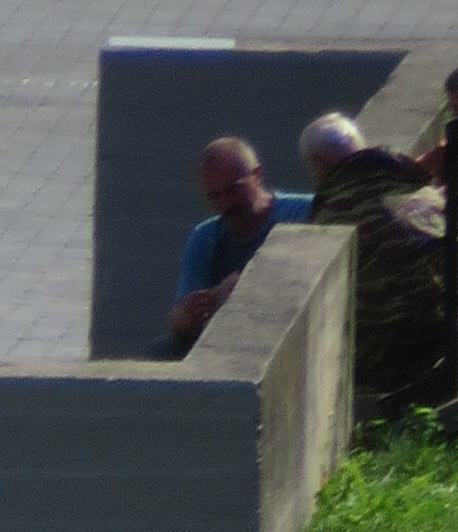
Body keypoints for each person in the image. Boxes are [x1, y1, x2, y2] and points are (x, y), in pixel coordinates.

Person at [299, 111, 451, 421]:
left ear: (317, 164)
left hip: (385, 371)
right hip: (444, 349)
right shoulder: (429, 197)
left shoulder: (332, 219)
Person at [166, 137, 307, 355]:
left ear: (257, 176)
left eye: (233, 190)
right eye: (214, 196)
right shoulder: (205, 237)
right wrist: (189, 314)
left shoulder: (303, 213)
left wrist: (243, 292)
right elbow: (178, 321)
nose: (225, 203)